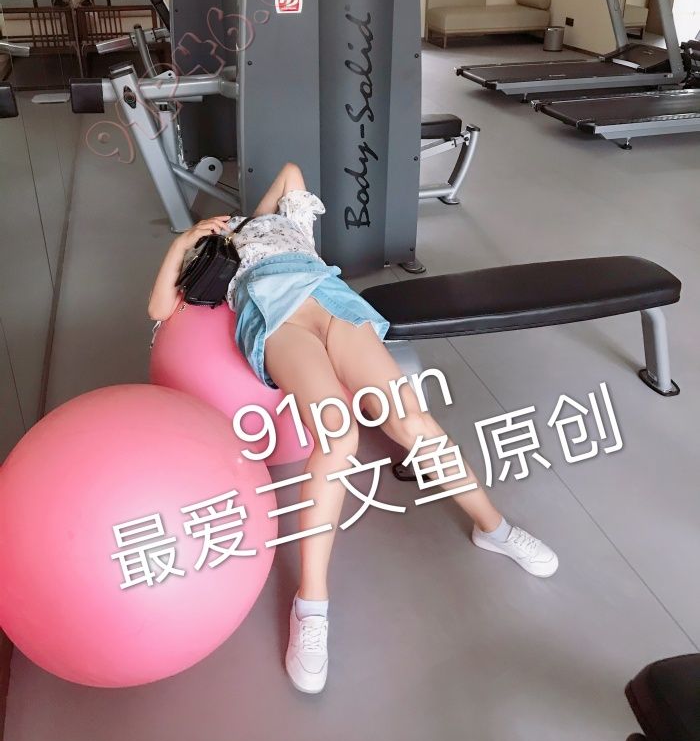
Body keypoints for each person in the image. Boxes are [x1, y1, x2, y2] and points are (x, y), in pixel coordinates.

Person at [148, 162, 558, 694]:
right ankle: (311, 606)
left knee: (411, 420)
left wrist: (255, 216)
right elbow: (159, 307)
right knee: (337, 437)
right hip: (274, 316)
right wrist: (185, 241)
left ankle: (494, 530)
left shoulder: (285, 222)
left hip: (329, 296)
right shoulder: (213, 252)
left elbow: (291, 172)